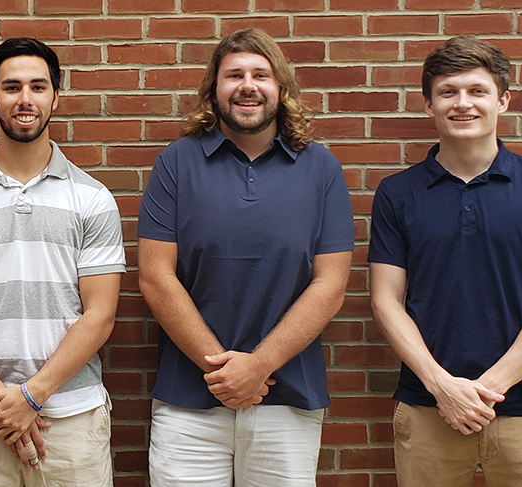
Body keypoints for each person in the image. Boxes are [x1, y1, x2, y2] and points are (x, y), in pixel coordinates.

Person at [137, 28, 354, 486]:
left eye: (261, 74)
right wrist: (224, 372)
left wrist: (257, 367)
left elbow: (331, 285)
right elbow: (156, 277)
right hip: (189, 400)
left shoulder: (321, 169)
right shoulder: (176, 163)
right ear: (214, 89)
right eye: (234, 75)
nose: (248, 86)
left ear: (281, 87)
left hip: (287, 396)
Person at [368, 36, 522, 487]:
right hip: (428, 409)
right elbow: (385, 301)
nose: (462, 103)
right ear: (429, 105)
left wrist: (484, 391)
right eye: (448, 92)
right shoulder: (397, 193)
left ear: (502, 100)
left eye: (477, 91)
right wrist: (443, 387)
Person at [0, 37, 125, 486]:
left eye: (38, 86)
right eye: (11, 87)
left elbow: (101, 315)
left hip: (72, 418)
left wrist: (31, 396)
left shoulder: (92, 199)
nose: (25, 99)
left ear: (55, 96)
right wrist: (2, 401)